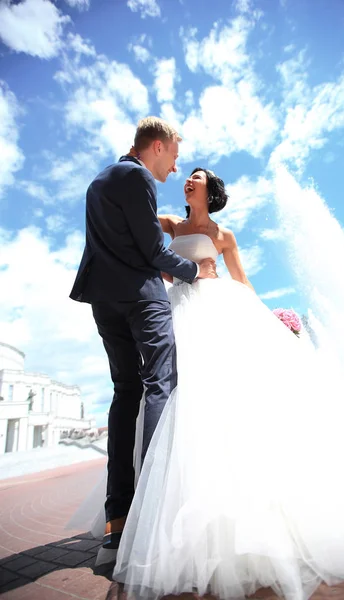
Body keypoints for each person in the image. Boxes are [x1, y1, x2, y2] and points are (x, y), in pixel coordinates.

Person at [109, 165, 344, 600]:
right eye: (187, 176)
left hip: (216, 312)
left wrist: (270, 320)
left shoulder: (224, 235)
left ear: (211, 190)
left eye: (198, 177)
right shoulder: (170, 224)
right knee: (177, 396)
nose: (189, 180)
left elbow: (241, 280)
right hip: (179, 312)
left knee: (228, 396)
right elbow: (146, 244)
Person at [69, 117, 217, 550]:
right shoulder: (137, 178)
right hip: (140, 297)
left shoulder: (99, 182)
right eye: (174, 155)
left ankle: (118, 513)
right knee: (161, 385)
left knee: (125, 392)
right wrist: (195, 272)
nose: (174, 168)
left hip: (104, 300)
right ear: (157, 145)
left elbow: (120, 240)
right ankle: (155, 505)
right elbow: (152, 251)